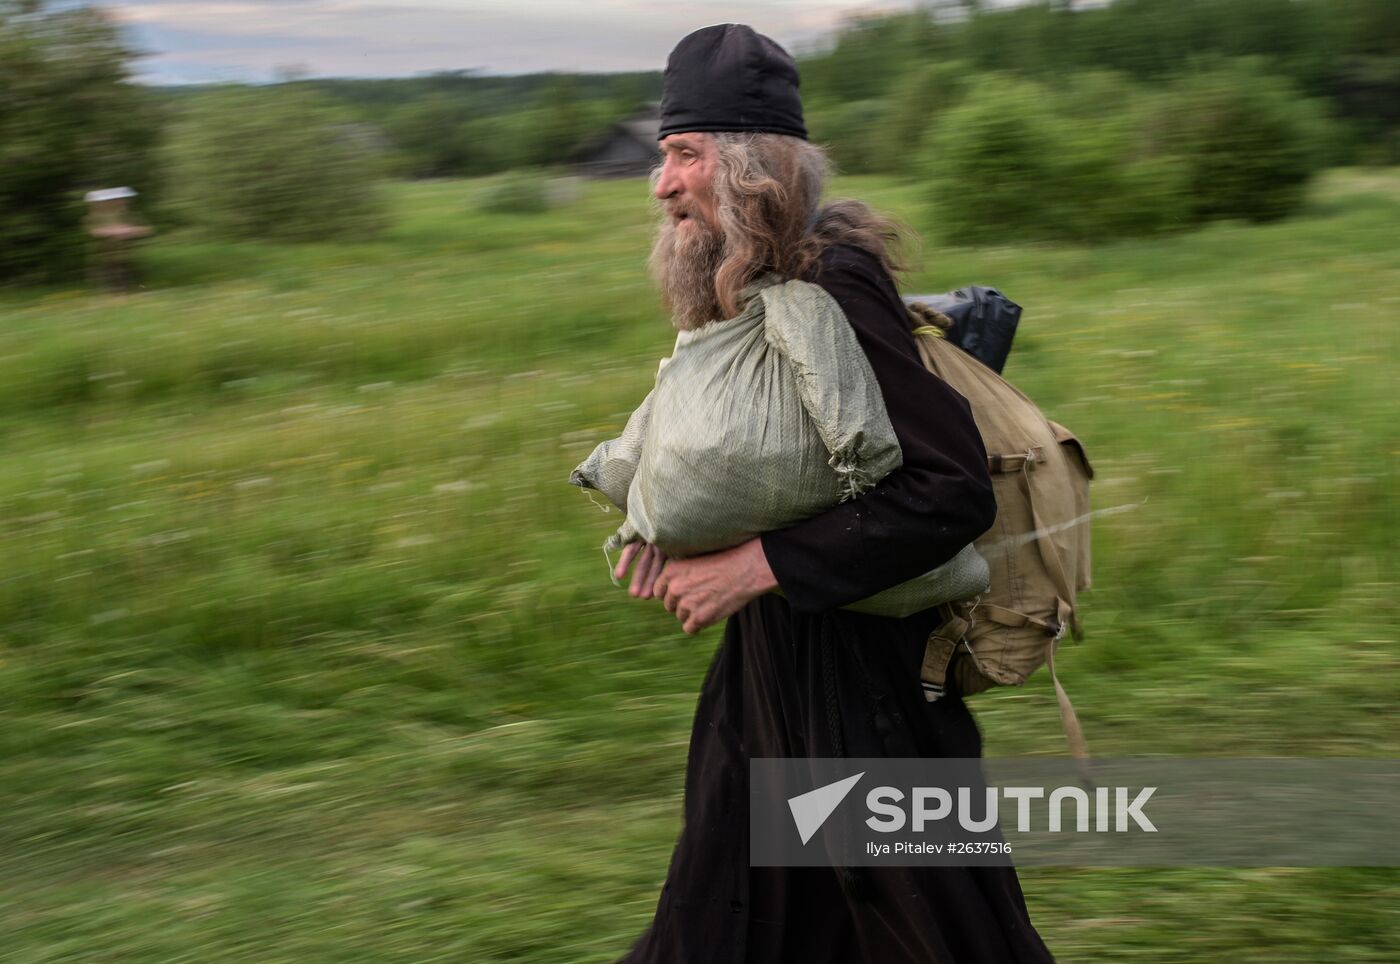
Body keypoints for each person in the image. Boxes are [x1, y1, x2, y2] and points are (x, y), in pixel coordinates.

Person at [609, 24, 1056, 963]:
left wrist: (756, 565)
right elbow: (772, 457)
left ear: (751, 167)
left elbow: (947, 491)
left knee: (940, 931)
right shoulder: (757, 279)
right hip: (770, 665)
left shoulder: (832, 281)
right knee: (721, 916)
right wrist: (675, 531)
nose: (661, 183)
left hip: (863, 686)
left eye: (685, 155)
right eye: (663, 157)